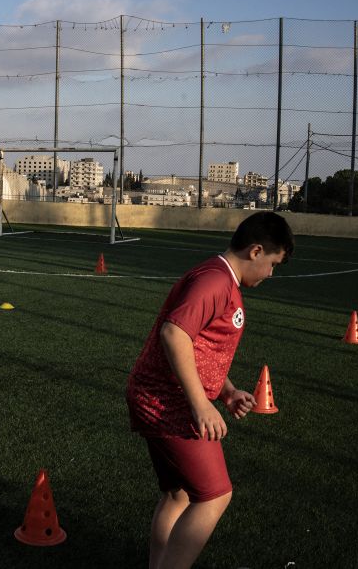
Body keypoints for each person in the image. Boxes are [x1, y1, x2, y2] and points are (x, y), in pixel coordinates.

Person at [126, 211, 294, 569]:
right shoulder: (216, 280)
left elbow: (201, 348)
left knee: (179, 495)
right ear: (256, 251)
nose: (271, 274)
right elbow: (174, 334)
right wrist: (201, 404)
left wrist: (227, 391)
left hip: (156, 396)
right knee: (216, 495)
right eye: (273, 264)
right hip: (167, 402)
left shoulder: (220, 278)